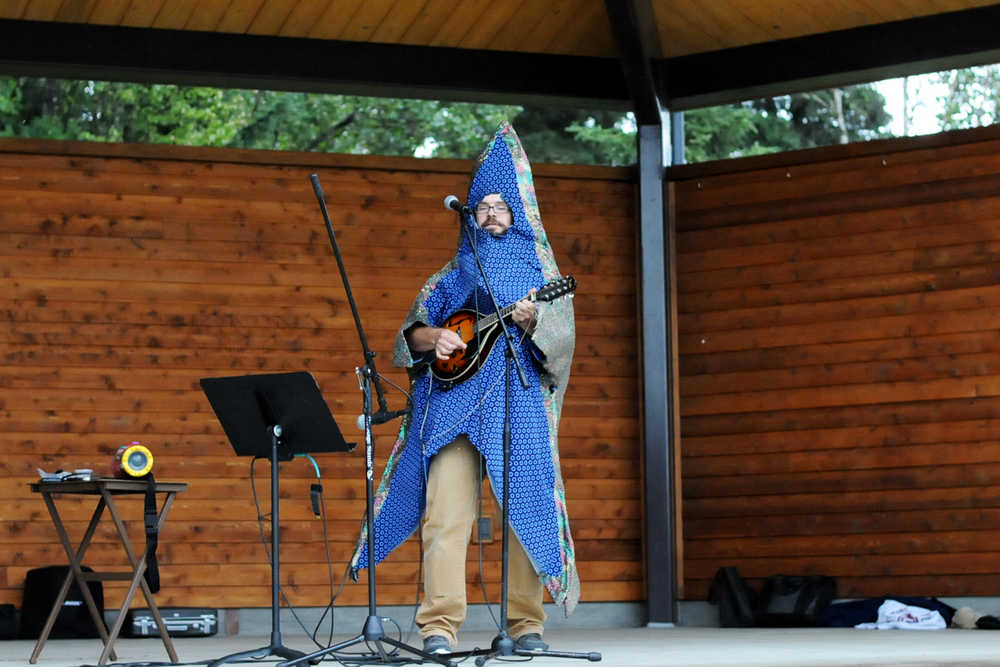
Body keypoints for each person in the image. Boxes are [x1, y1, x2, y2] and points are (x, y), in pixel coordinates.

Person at [350, 122, 578, 655]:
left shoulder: (542, 277)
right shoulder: (446, 279)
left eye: (502, 205)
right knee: (445, 517)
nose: (492, 212)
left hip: (516, 405)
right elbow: (406, 342)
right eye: (483, 206)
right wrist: (436, 337)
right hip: (452, 405)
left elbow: (562, 343)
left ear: (518, 212)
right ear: (470, 215)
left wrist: (532, 323)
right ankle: (438, 627)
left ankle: (526, 627)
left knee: (525, 514)